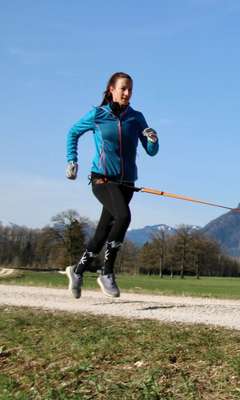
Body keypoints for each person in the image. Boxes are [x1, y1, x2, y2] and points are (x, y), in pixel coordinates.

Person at [65, 72, 159, 298]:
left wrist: (153, 139)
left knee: (102, 232)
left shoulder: (136, 117)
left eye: (130, 90)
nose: (127, 93)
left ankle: (77, 271)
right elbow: (73, 133)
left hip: (127, 183)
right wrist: (72, 160)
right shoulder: (97, 115)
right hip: (103, 180)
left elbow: (151, 151)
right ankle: (106, 272)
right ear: (111, 89)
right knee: (124, 217)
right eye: (123, 89)